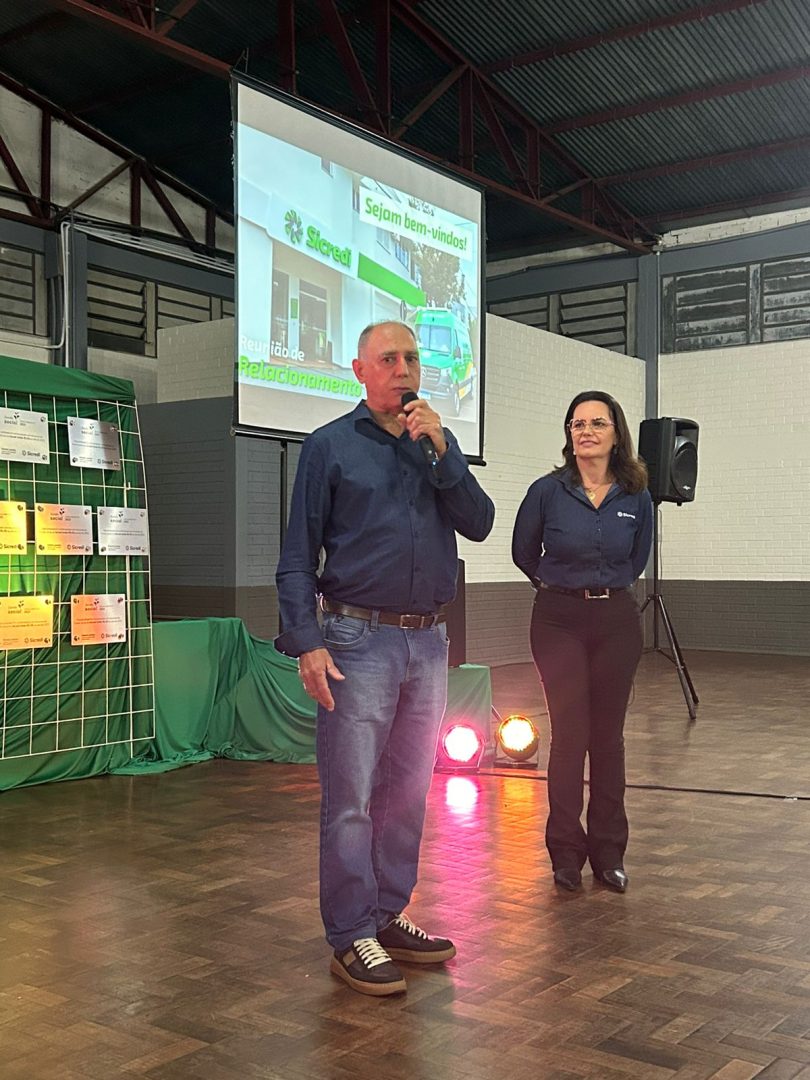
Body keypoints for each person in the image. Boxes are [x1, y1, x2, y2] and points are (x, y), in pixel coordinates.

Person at [275, 320, 494, 996]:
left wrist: (444, 452)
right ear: (360, 370)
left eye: (412, 359)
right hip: (356, 639)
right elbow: (296, 557)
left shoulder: (435, 445)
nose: (404, 370)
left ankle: (386, 914)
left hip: (427, 641)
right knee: (351, 798)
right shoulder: (329, 446)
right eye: (389, 359)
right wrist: (306, 641)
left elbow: (480, 522)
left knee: (408, 793)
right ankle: (350, 934)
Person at [511, 391, 652, 894]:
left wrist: (602, 585)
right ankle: (566, 855)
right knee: (570, 738)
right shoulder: (546, 491)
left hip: (616, 620)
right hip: (559, 620)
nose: (586, 431)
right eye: (577, 423)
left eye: (597, 423)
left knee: (607, 739)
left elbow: (636, 559)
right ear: (568, 434)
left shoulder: (636, 495)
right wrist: (561, 584)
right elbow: (523, 552)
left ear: (616, 434)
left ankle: (609, 854)